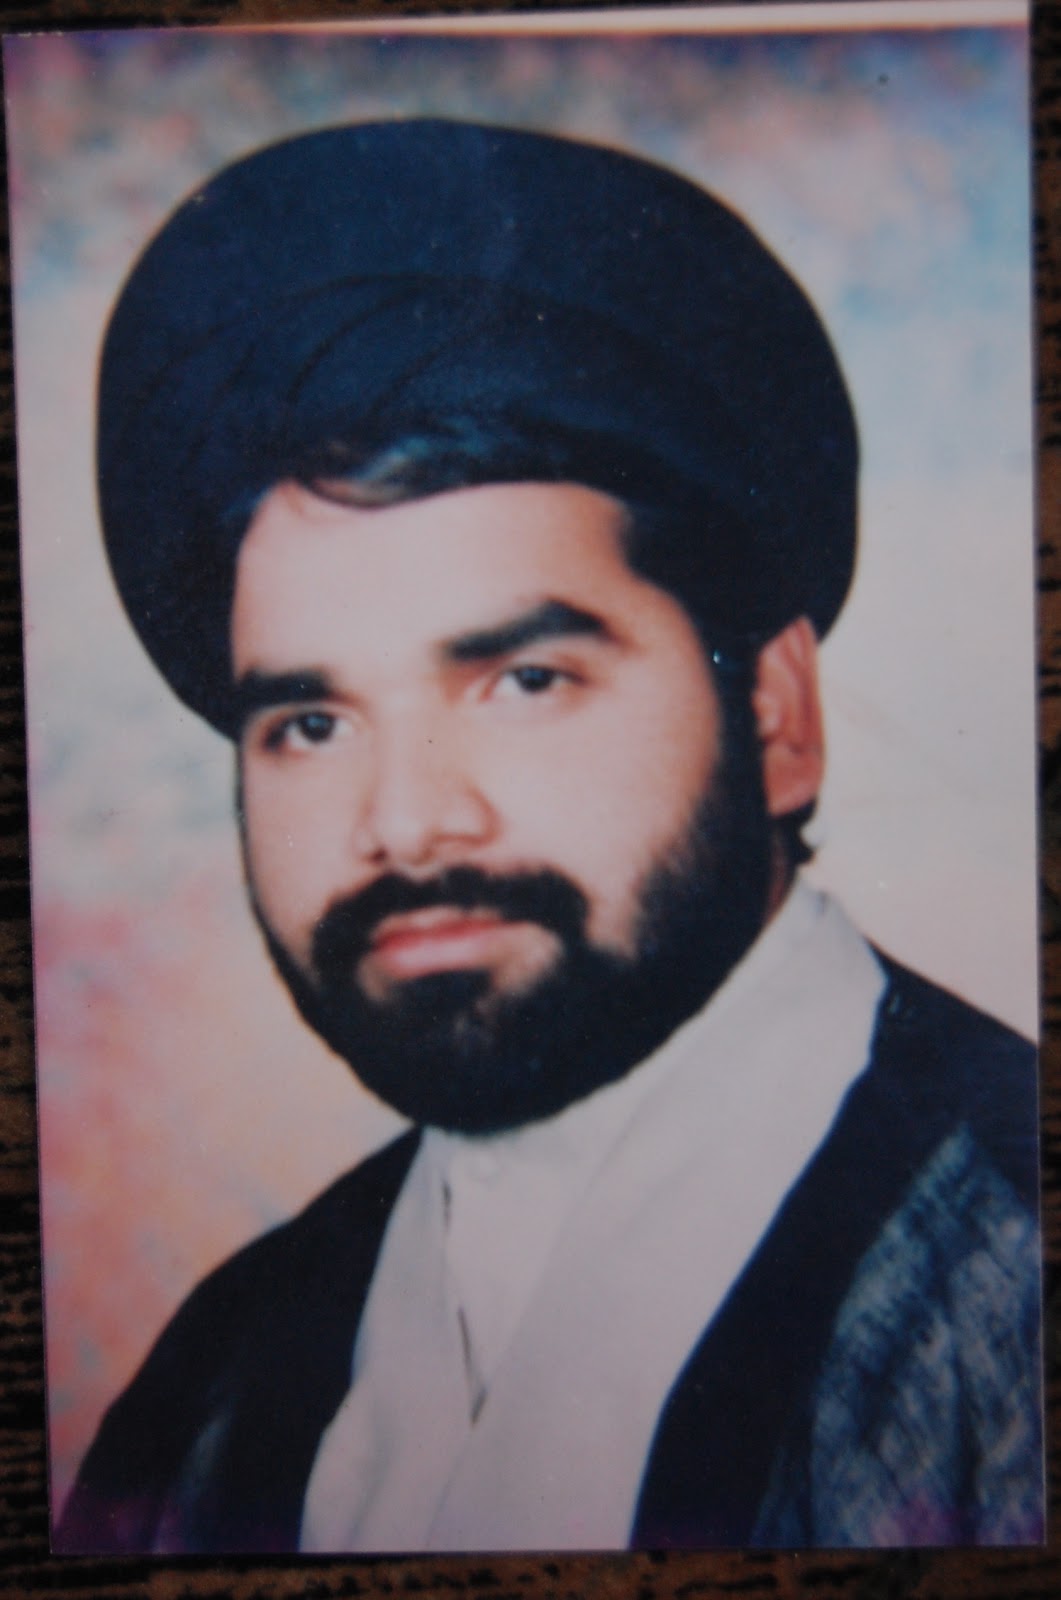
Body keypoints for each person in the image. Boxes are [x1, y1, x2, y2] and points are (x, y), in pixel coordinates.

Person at [56, 119, 1042, 1554]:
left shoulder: (1012, 1291)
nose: (405, 821)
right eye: (311, 723)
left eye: (524, 681)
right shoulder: (211, 1384)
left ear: (774, 715)